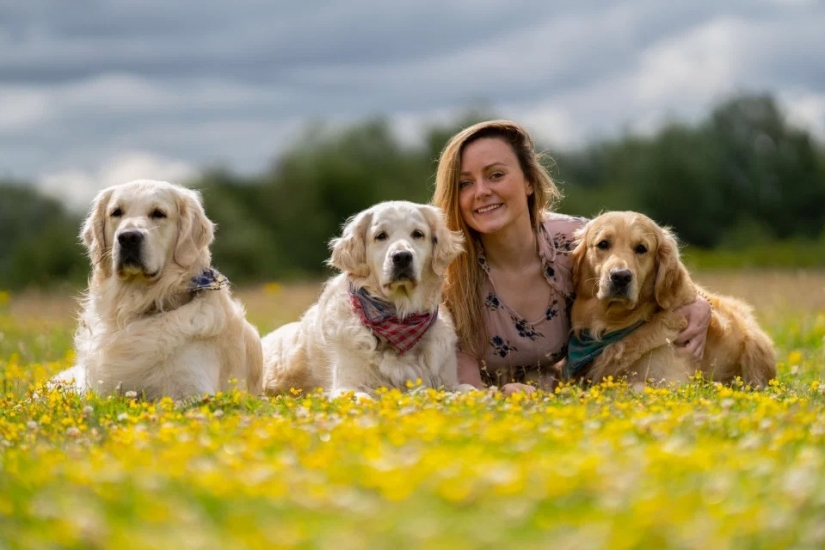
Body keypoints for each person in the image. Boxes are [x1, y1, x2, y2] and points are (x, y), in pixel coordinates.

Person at [432, 120, 711, 396]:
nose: (481, 192)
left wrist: (701, 304)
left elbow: (647, 267)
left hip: (556, 390)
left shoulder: (576, 241)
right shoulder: (448, 273)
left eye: (495, 175)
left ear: (529, 181)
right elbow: (468, 390)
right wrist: (501, 396)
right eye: (465, 183)